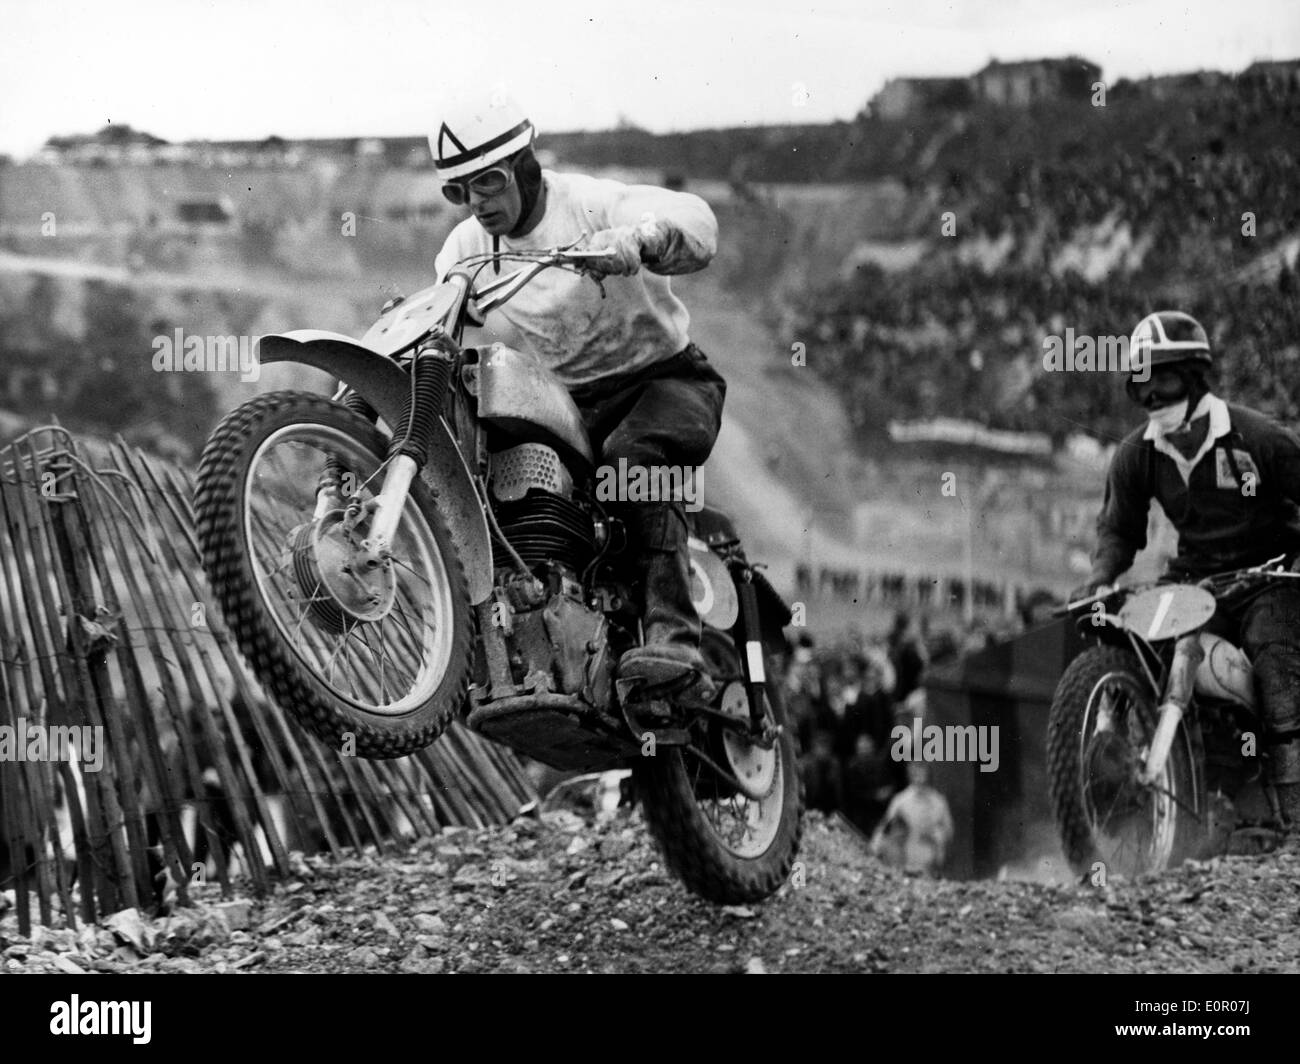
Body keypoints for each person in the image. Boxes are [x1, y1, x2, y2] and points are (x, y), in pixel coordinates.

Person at [430, 92, 725, 702]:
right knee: (515, 486)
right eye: (462, 190)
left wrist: (643, 239)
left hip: (666, 382)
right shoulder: (467, 251)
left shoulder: (591, 205)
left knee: (633, 460)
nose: (479, 202)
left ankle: (675, 641)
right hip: (575, 408)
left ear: (525, 167)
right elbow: (440, 311)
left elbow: (696, 220)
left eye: (488, 181)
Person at [1072, 310, 1300, 824]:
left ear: (1195, 376)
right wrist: (1101, 577)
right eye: (1140, 383)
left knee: (1276, 663)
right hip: (1197, 581)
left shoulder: (1258, 437)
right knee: (1135, 641)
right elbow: (1118, 531)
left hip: (1269, 577)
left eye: (1164, 377)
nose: (1152, 394)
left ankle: (1296, 830)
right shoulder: (1136, 454)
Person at [869, 763, 954, 876]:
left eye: (922, 774)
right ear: (909, 776)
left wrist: (936, 836)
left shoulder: (939, 801)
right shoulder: (900, 801)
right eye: (915, 774)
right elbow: (885, 828)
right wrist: (874, 848)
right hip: (905, 859)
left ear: (929, 776)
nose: (919, 778)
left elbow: (948, 830)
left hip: (930, 861)